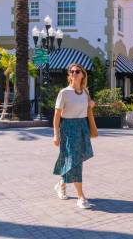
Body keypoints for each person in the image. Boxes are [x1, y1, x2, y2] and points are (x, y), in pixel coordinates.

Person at [52, 63, 95, 209]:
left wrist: (91, 104)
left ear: (83, 74)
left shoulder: (85, 92)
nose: (74, 74)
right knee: (75, 159)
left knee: (76, 159)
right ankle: (81, 197)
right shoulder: (64, 92)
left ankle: (61, 185)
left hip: (82, 127)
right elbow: (57, 116)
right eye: (71, 71)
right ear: (69, 75)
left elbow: (87, 107)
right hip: (68, 128)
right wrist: (55, 135)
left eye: (77, 71)